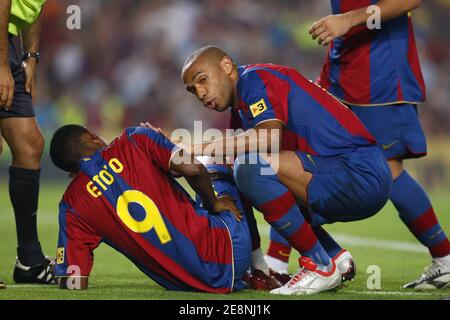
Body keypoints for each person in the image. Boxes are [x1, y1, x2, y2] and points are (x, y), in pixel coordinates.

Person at [173, 45, 392, 295]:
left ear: (226, 66)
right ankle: (334, 257)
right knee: (244, 172)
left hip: (359, 171)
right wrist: (176, 159)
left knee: (250, 167)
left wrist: (198, 147)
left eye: (203, 80)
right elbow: (240, 177)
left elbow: (269, 139)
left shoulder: (255, 80)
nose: (200, 93)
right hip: (338, 172)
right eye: (193, 90)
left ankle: (320, 265)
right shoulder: (241, 108)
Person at [264, 0, 450, 290]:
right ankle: (278, 262)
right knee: (299, 150)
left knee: (389, 169)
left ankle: (445, 258)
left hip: (382, 76)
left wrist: (348, 20)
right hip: (341, 69)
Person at [49, 124, 283, 292]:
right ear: (91, 137)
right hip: (230, 254)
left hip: (185, 285)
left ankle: (252, 271)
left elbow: (74, 282)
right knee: (216, 162)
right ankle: (261, 270)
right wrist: (213, 202)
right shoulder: (134, 139)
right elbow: (192, 169)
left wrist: (59, 270)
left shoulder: (71, 206)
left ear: (72, 172)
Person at [0, 0, 54, 284]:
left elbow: (33, 7)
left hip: (8, 44)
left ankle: (29, 261)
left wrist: (31, 56)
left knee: (29, 146)